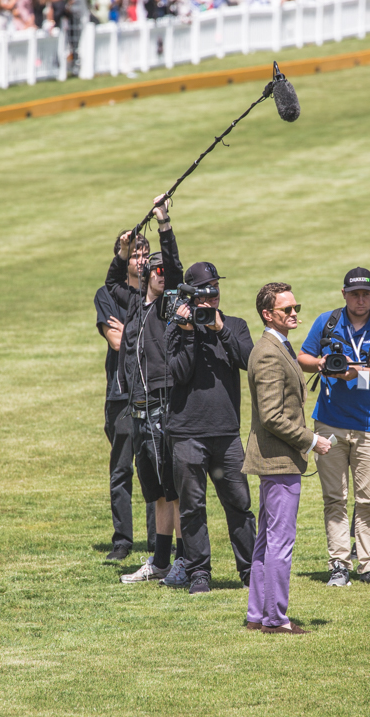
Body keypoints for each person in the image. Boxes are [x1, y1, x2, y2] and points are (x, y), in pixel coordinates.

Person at [297, 268, 370, 587]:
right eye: (354, 294)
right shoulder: (327, 322)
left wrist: (359, 373)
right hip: (330, 422)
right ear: (343, 294)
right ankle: (338, 564)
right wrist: (322, 364)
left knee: (367, 499)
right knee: (334, 497)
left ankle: (369, 564)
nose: (361, 299)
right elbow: (303, 356)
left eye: (366, 294)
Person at [244, 283, 331, 634]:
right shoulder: (268, 351)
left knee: (267, 539)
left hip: (276, 460)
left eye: (296, 307)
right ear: (268, 314)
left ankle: (256, 615)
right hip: (278, 460)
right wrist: (312, 441)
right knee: (280, 541)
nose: (295, 313)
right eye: (287, 310)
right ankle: (276, 620)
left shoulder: (277, 345)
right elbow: (271, 416)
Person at [107, 197, 186, 586]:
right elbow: (110, 283)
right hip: (136, 408)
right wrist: (123, 253)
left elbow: (174, 267)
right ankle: (158, 561)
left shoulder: (169, 306)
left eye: (160, 270)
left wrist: (164, 222)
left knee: (173, 487)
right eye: (150, 268)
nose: (157, 273)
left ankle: (183, 560)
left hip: (161, 406)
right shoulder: (136, 304)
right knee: (154, 489)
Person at [166, 262, 256, 594]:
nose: (211, 298)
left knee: (239, 504)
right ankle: (199, 573)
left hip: (226, 433)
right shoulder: (175, 328)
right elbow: (179, 373)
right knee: (192, 507)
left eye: (215, 290)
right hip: (188, 432)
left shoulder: (235, 324)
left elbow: (249, 361)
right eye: (205, 292)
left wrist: (220, 330)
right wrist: (189, 334)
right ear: (190, 294)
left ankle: (250, 571)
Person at [96, 229, 155, 561]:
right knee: (122, 470)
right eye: (134, 253)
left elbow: (130, 336)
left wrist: (131, 329)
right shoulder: (106, 295)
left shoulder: (155, 294)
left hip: (152, 392)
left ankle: (157, 540)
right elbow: (117, 342)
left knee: (155, 467)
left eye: (145, 252)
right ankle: (122, 541)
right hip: (121, 395)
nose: (141, 258)